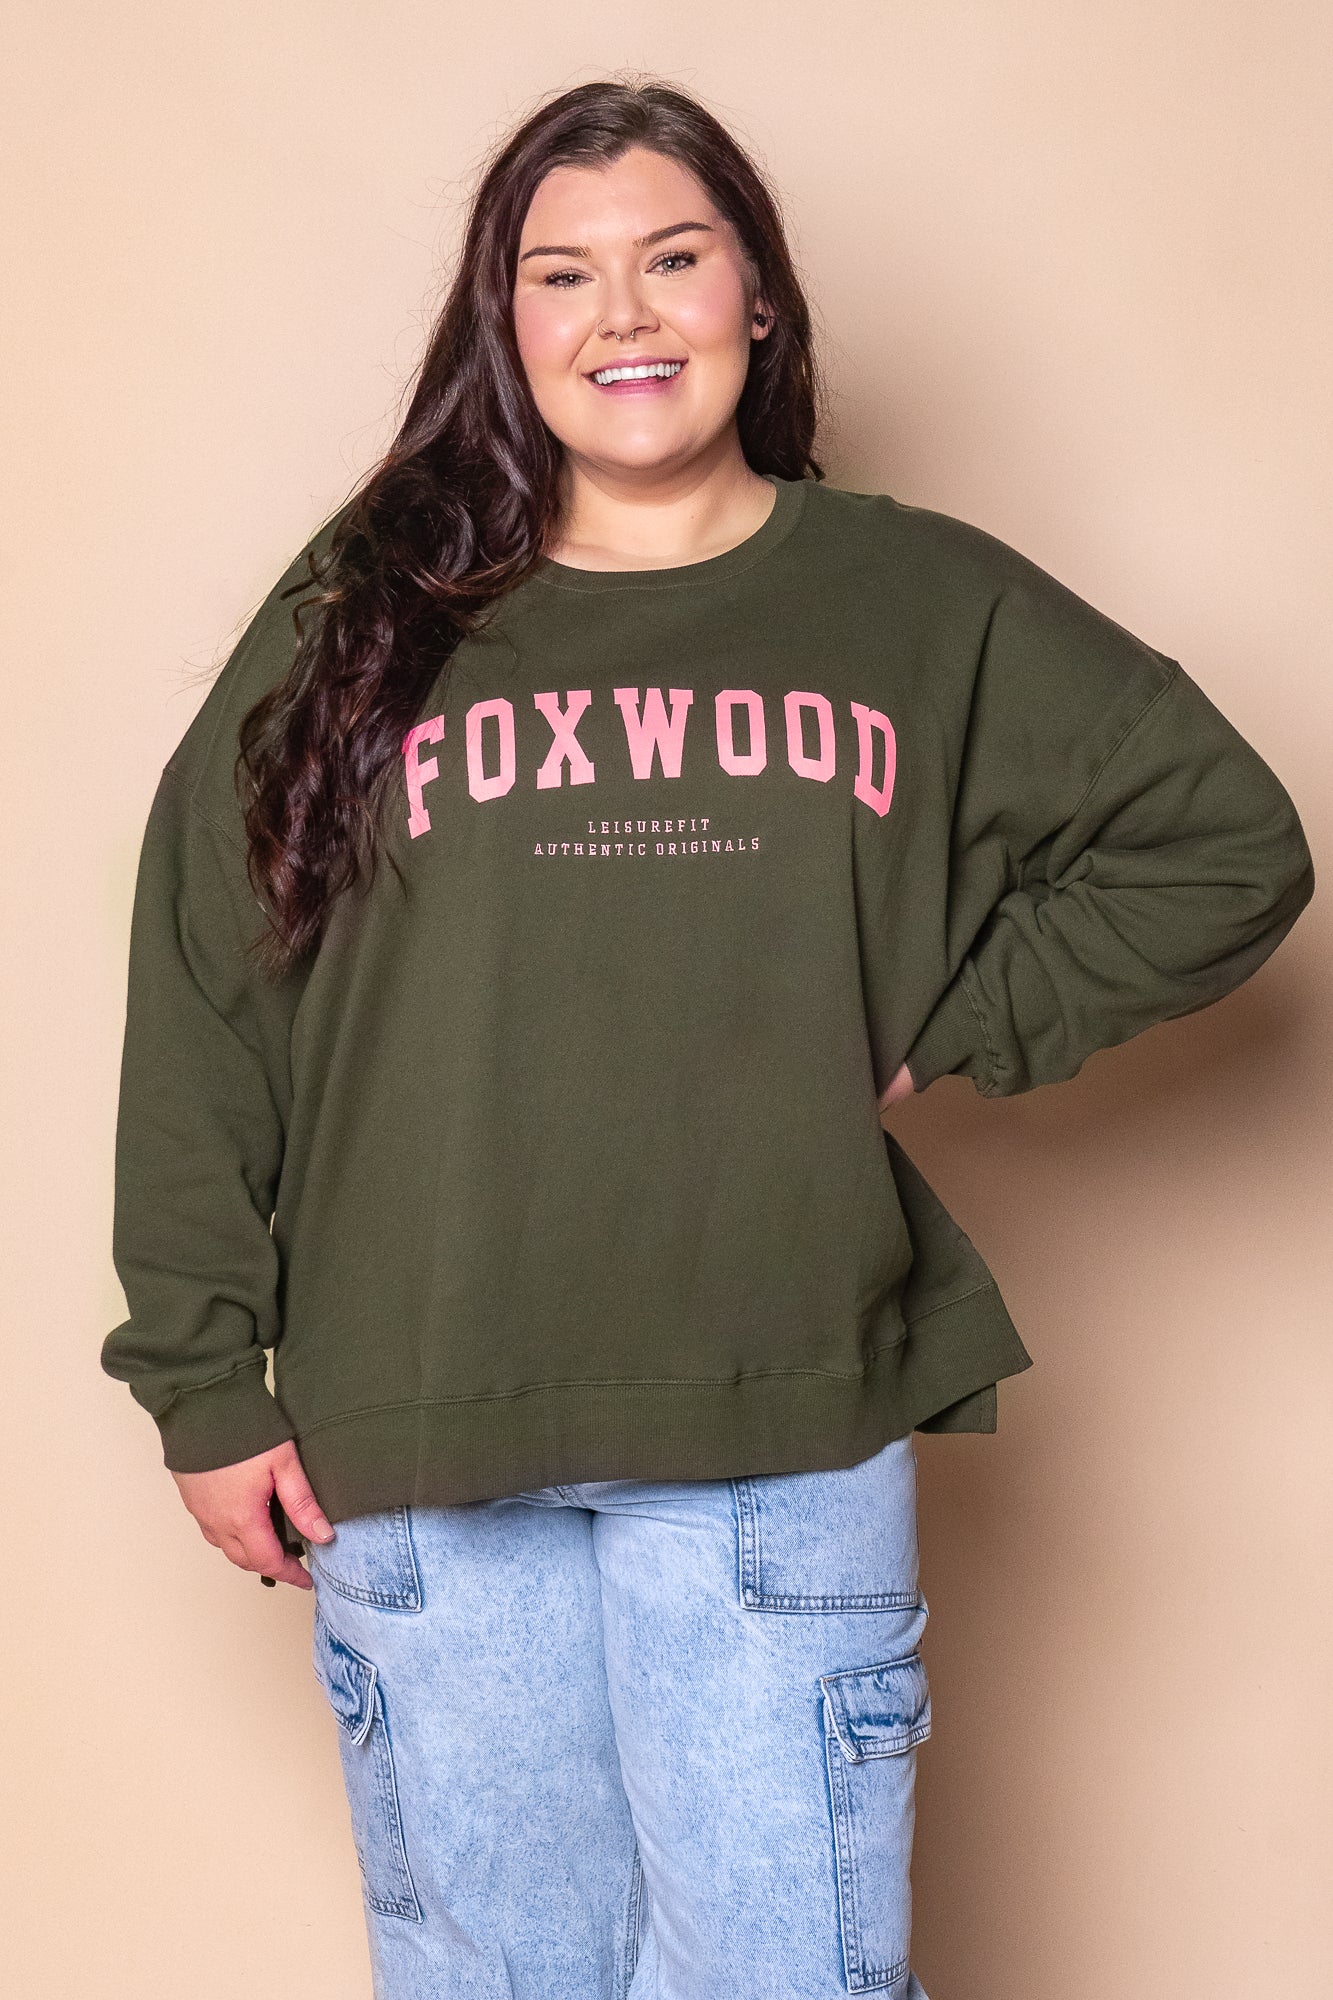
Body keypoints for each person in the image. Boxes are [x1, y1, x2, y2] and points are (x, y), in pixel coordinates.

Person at [101, 77, 1314, 2000]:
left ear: (756, 294)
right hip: (418, 1404)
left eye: (672, 257)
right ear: (504, 325)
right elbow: (204, 968)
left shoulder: (911, 600)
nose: (624, 314)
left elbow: (1225, 846)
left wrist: (938, 1023)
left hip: (777, 1410)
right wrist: (198, 1375)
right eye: (560, 274)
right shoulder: (364, 615)